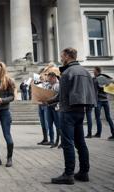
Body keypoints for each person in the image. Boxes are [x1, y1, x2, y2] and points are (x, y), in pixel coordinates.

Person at [51, 48, 96, 185]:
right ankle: (84, 172)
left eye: (61, 56)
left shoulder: (67, 72)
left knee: (68, 143)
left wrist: (49, 101)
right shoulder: (85, 72)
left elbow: (62, 95)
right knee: (80, 142)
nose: (60, 58)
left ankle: (68, 174)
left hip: (67, 111)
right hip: (81, 111)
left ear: (67, 56)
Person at [92, 67, 114, 140]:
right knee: (108, 117)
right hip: (106, 100)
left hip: (99, 101)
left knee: (98, 117)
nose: (93, 72)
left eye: (94, 71)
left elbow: (95, 91)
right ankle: (113, 133)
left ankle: (98, 133)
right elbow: (109, 86)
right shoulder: (105, 77)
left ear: (97, 71)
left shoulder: (97, 79)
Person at [44, 72, 60, 148]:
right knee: (49, 124)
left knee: (58, 125)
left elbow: (59, 98)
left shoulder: (58, 85)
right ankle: (52, 140)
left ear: (54, 78)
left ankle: (59, 141)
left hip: (56, 108)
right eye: (48, 79)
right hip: (48, 107)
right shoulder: (48, 85)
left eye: (50, 79)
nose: (49, 80)